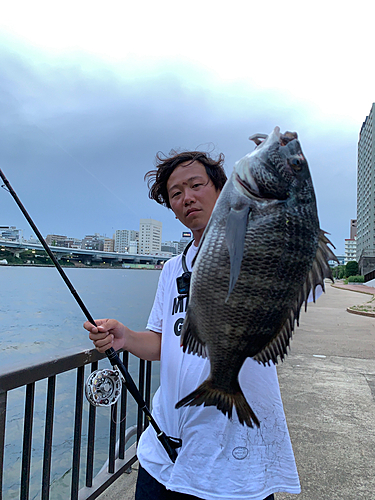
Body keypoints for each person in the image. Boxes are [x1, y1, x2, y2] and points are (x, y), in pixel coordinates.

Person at [84, 150, 301, 500]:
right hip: (163, 454)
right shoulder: (173, 270)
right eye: (175, 194)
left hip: (232, 462)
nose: (187, 198)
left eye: (197, 185)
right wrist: (124, 337)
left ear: (222, 189)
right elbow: (161, 341)